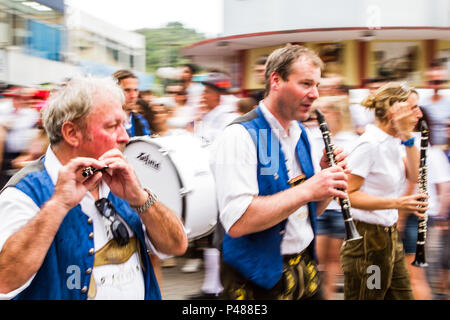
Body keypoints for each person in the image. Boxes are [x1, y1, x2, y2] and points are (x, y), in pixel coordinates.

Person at [0, 76, 187, 300]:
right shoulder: (23, 194)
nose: (125, 137)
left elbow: (177, 246)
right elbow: (5, 281)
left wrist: (140, 198)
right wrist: (58, 205)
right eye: (112, 126)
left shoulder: (123, 175)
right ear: (72, 133)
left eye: (124, 125)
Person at [210, 44, 350, 300]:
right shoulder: (239, 135)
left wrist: (327, 185)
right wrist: (308, 188)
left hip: (304, 271)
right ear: (276, 80)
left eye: (317, 85)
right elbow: (237, 222)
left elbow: (307, 211)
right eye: (306, 83)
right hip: (256, 279)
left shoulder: (301, 135)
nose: (315, 94)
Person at [343, 82, 427, 300]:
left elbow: (416, 176)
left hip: (389, 236)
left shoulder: (392, 141)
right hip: (368, 241)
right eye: (413, 107)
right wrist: (399, 204)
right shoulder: (370, 144)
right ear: (394, 110)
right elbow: (348, 196)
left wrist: (407, 137)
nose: (419, 113)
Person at [185, 72, 240, 299]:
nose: (203, 96)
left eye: (207, 91)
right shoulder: (209, 118)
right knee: (210, 238)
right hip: (210, 183)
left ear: (217, 93)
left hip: (224, 185)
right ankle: (212, 287)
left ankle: (220, 288)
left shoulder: (228, 119)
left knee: (219, 239)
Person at [308, 96, 358, 300]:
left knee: (333, 261)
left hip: (339, 208)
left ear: (336, 113)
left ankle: (328, 296)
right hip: (319, 205)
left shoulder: (351, 139)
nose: (319, 114)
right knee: (316, 257)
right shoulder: (311, 136)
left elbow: (354, 174)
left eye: (325, 110)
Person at [112, 70, 151, 137]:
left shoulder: (140, 120)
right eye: (127, 90)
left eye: (136, 90)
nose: (133, 95)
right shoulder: (107, 120)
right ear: (114, 90)